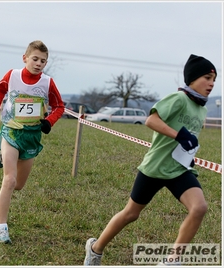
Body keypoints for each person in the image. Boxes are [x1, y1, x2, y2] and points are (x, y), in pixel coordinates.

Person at [84, 54, 217, 266]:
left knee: (199, 207)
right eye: (207, 78)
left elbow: (189, 139)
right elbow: (151, 120)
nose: (211, 84)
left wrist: (188, 154)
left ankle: (173, 260)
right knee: (131, 214)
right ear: (192, 79)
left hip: (180, 170)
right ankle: (95, 248)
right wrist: (179, 135)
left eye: (214, 80)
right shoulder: (178, 99)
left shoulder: (201, 109)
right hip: (155, 167)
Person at [0, 40, 65, 244]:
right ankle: (1, 228)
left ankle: (3, 158)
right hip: (11, 131)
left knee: (19, 185)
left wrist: (49, 122)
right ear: (25, 58)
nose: (39, 63)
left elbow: (59, 106)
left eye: (43, 61)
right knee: (10, 180)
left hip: (31, 136)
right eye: (35, 59)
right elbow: (0, 89)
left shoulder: (47, 83)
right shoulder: (12, 75)